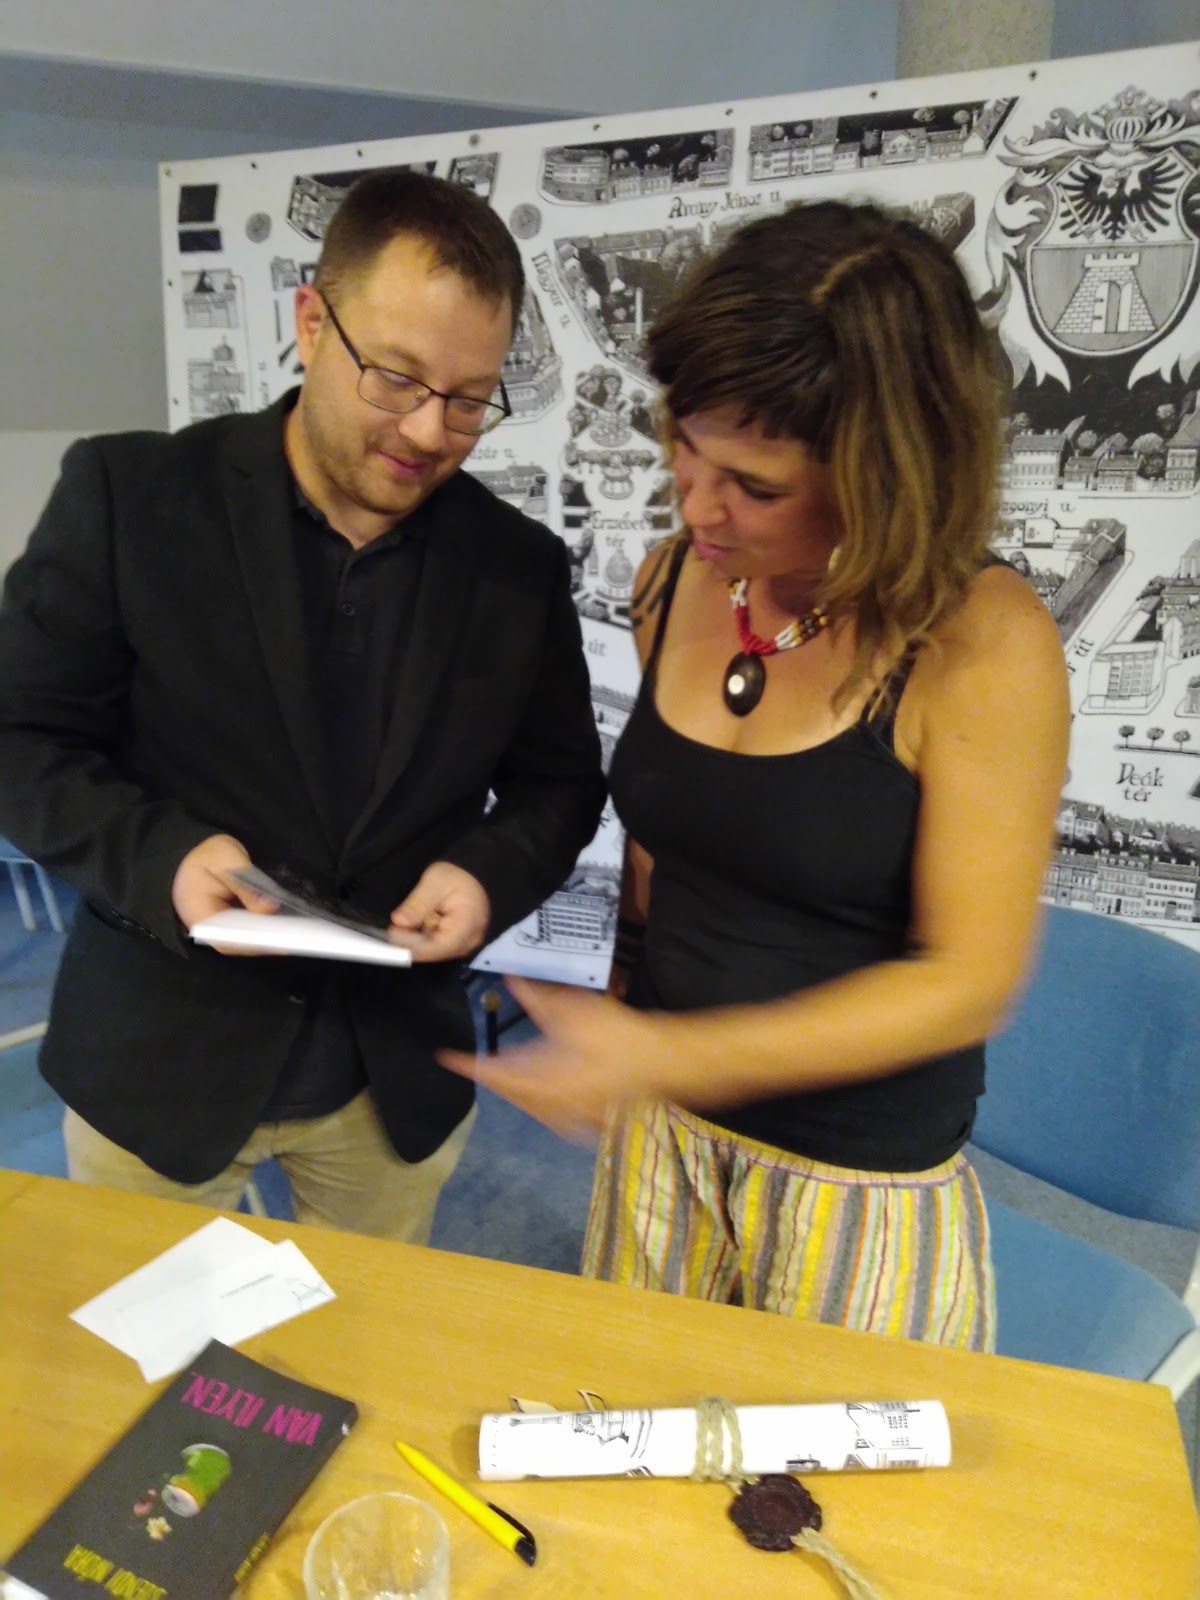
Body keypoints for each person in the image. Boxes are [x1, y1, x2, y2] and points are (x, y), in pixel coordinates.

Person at [442, 199, 1070, 1350]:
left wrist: (669, 1053)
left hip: (854, 1179)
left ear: (887, 478)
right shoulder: (678, 577)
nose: (695, 502)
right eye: (684, 445)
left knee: (822, 1461)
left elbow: (970, 979)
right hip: (663, 1131)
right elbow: (666, 844)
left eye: (755, 485)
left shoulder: (983, 643)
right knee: (630, 1419)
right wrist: (615, 997)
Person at [0, 170, 605, 1241]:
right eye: (397, 379)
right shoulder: (132, 500)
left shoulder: (516, 565)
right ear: (312, 322)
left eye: (470, 399)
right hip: (160, 1056)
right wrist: (165, 860)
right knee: (144, 1336)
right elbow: (21, 737)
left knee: (366, 1337)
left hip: (391, 1072)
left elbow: (558, 784)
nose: (430, 431)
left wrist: (484, 875)